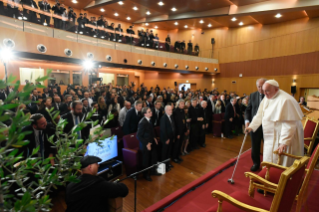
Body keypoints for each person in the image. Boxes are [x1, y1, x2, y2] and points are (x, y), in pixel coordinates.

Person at [245, 79, 304, 167]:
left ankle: (282, 178)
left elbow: (289, 124)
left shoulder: (286, 100)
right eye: (263, 91)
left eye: (267, 90)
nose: (264, 93)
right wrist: (252, 126)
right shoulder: (267, 97)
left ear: (276, 89)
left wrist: (284, 141)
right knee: (269, 157)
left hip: (282, 137)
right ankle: (270, 174)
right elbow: (260, 114)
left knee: (282, 162)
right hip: (270, 137)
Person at [244, 78, 267, 171]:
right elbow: (248, 110)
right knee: (255, 146)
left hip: (267, 127)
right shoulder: (253, 95)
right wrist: (247, 121)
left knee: (268, 147)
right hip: (255, 126)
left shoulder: (270, 95)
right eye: (259, 86)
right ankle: (256, 163)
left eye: (262, 86)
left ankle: (267, 165)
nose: (261, 88)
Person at [137, 107, 162, 181]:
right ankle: (146, 175)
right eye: (149, 112)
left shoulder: (149, 120)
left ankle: (153, 171)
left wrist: (154, 138)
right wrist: (147, 144)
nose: (151, 112)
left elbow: (151, 131)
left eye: (150, 111)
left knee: (154, 157)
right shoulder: (142, 122)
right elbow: (138, 136)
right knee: (146, 160)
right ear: (145, 114)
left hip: (151, 142)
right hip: (145, 145)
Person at [160, 105, 175, 172]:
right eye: (169, 110)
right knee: (164, 153)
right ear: (166, 111)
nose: (171, 111)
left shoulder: (171, 116)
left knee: (169, 152)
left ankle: (168, 164)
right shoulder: (163, 118)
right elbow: (163, 130)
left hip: (171, 137)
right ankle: (164, 166)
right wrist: (166, 139)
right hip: (166, 139)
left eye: (171, 110)